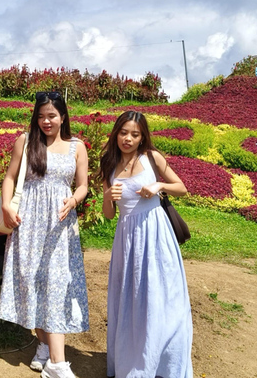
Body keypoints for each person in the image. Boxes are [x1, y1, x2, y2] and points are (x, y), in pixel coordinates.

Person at [0, 91, 90, 378]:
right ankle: (44, 345)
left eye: (51, 116)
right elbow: (10, 177)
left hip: (60, 226)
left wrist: (74, 201)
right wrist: (6, 206)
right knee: (31, 282)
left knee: (56, 283)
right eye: (41, 117)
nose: (46, 121)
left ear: (63, 117)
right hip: (29, 222)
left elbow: (83, 185)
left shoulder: (77, 147)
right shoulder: (25, 143)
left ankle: (57, 365)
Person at [100, 111, 193, 378]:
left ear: (142, 137)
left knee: (162, 298)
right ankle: (135, 359)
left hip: (156, 235)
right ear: (116, 133)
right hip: (127, 240)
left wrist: (159, 186)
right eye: (123, 132)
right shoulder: (109, 164)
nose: (127, 138)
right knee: (131, 299)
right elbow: (109, 214)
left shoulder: (152, 158)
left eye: (134, 134)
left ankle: (165, 363)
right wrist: (108, 196)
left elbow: (181, 187)